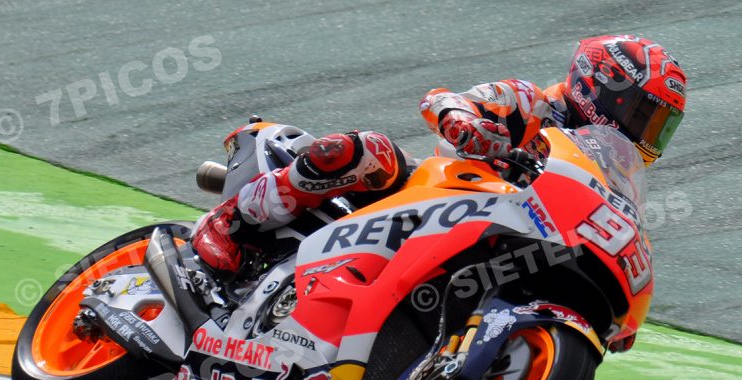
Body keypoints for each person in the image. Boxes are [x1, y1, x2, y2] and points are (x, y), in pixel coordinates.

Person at [193, 34, 687, 274]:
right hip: (432, 197)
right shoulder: (529, 102)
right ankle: (232, 220)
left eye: (659, 124)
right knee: (373, 152)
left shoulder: (604, 169)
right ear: (604, 86)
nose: (648, 131)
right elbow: (441, 99)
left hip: (498, 238)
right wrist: (465, 123)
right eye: (645, 114)